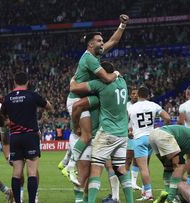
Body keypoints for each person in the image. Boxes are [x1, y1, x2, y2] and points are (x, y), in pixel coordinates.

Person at [63, 15, 129, 194]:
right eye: (99, 41)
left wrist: (122, 24)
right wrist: (117, 73)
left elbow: (114, 40)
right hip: (77, 100)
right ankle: (69, 166)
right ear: (90, 44)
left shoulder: (95, 54)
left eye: (102, 41)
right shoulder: (90, 59)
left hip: (84, 97)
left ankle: (68, 159)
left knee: (90, 135)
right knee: (85, 135)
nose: (102, 43)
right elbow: (107, 78)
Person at [69, 62, 133, 203]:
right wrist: (116, 73)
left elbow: (74, 88)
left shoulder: (100, 84)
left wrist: (73, 79)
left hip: (107, 133)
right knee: (121, 169)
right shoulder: (122, 81)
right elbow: (116, 73)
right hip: (122, 135)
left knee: (95, 170)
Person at [1, 72, 53, 203]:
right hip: (30, 136)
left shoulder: (7, 98)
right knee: (32, 171)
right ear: (27, 82)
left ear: (14, 82)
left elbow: (2, 115)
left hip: (15, 137)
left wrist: (8, 123)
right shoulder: (32, 95)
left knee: (17, 171)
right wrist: (44, 112)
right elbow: (49, 106)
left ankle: (17, 201)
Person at [128, 86, 171, 200]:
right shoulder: (154, 105)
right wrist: (161, 128)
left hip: (139, 138)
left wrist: (129, 131)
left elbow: (125, 122)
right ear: (148, 95)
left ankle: (148, 193)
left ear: (138, 95)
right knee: (146, 165)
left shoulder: (132, 107)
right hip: (152, 137)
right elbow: (167, 117)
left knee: (143, 167)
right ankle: (144, 192)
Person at [149, 125, 190, 202]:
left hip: (153, 135)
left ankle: (166, 194)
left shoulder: (186, 144)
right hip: (164, 135)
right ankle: (170, 198)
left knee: (168, 167)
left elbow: (177, 172)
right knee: (180, 166)